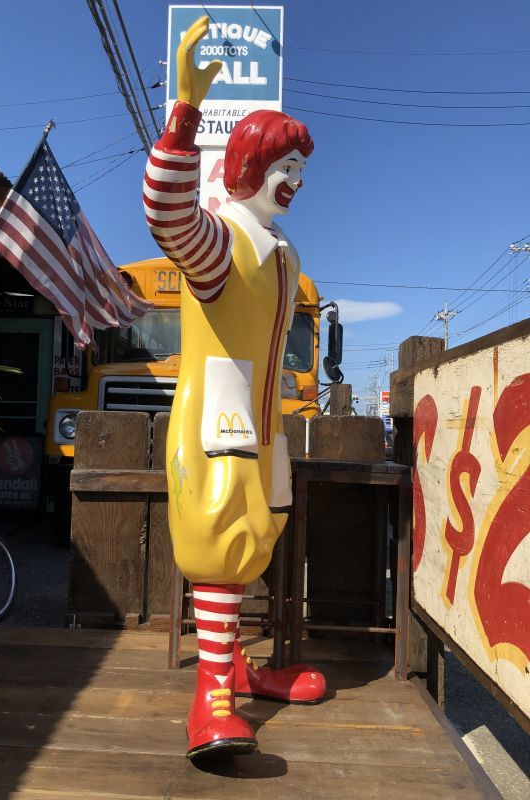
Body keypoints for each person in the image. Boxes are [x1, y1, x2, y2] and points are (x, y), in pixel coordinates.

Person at [143, 16, 326, 760]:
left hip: (263, 417)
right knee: (221, 538)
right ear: (252, 164)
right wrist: (184, 116)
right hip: (220, 411)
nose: (296, 183)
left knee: (263, 529)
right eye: (287, 167)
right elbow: (168, 218)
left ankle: (238, 667)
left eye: (301, 170)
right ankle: (211, 694)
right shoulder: (222, 237)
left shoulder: (282, 250)